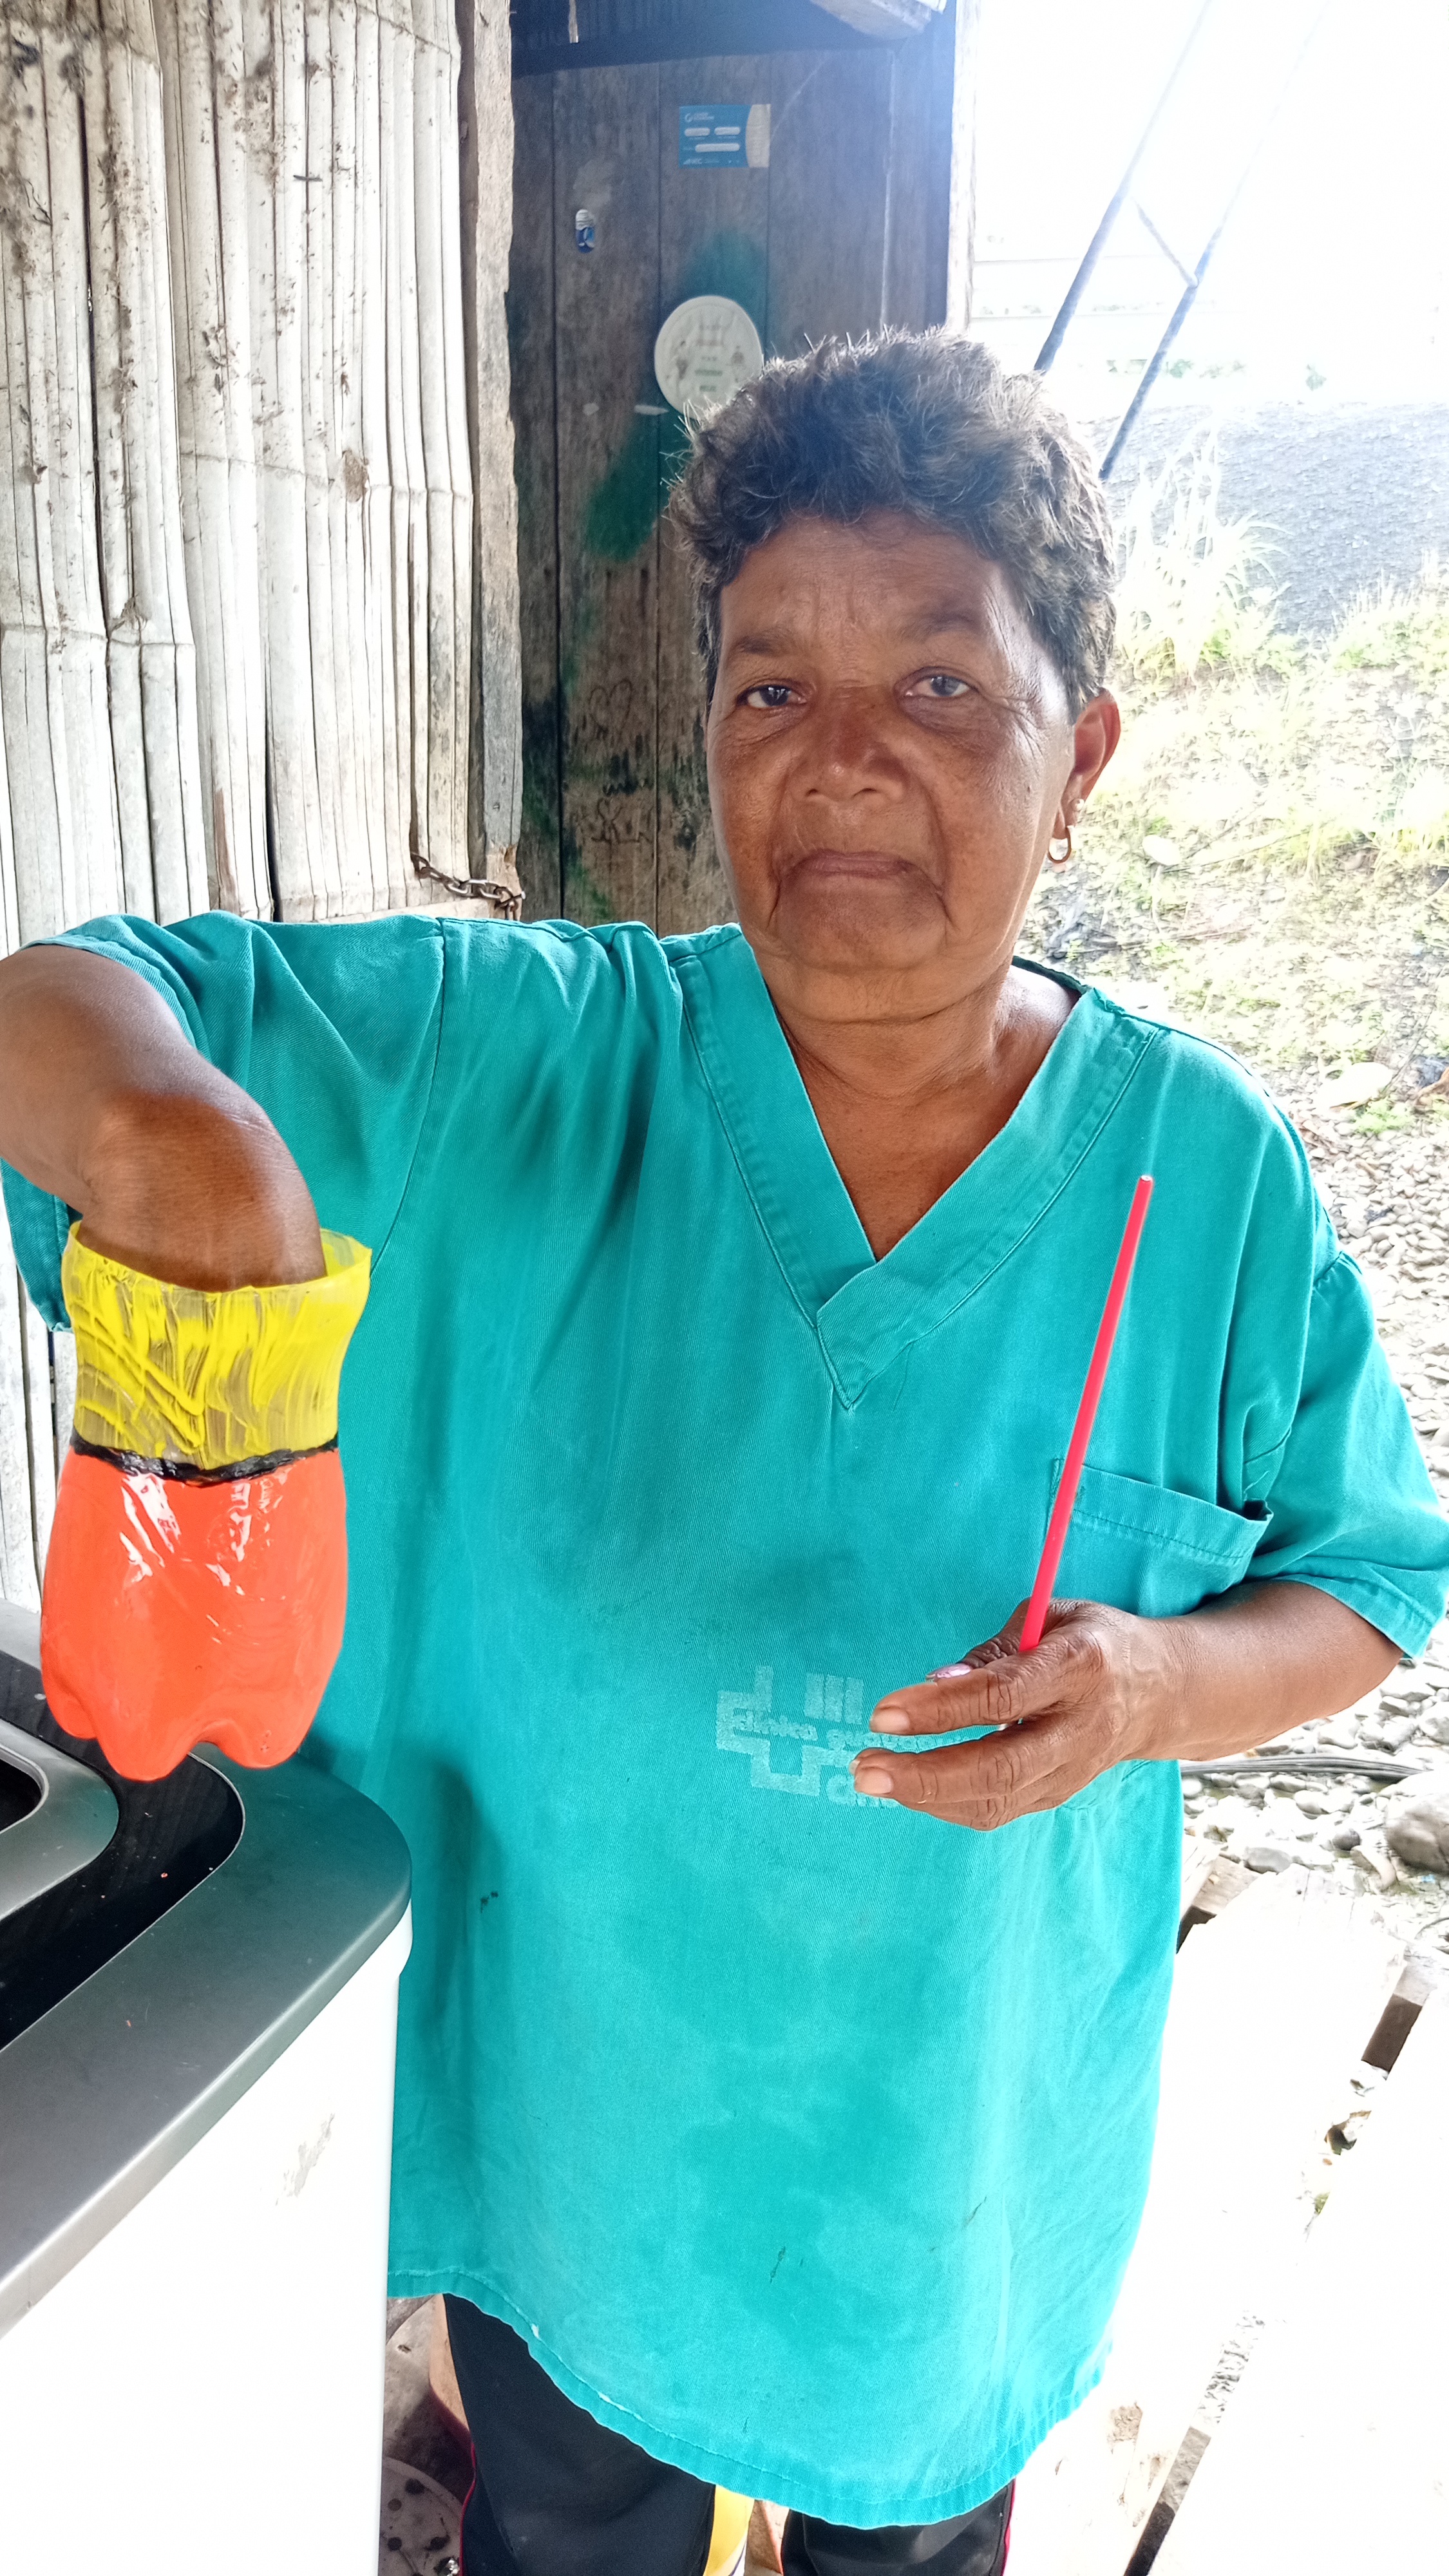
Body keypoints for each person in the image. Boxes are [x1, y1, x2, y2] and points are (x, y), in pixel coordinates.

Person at [1, 333, 1445, 2576]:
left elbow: (1367, 1581)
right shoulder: (522, 1065)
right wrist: (189, 1157)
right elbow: (59, 1001)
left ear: (1081, 754)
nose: (841, 757)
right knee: (567, 2519)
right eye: (771, 685)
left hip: (951, 2204)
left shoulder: (1206, 1184)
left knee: (913, 2546)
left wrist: (1161, 1687)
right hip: (583, 2167)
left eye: (938, 686)